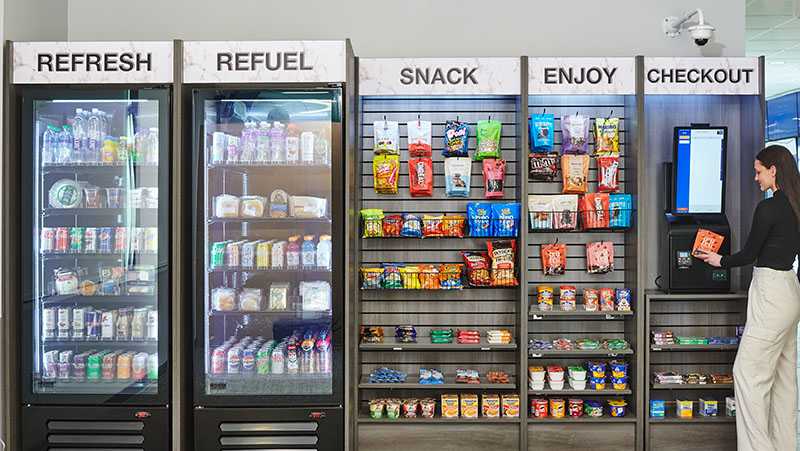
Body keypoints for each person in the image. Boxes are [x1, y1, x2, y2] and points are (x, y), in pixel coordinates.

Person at [697, 145, 800, 451]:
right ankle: (784, 445)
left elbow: (749, 254)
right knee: (783, 378)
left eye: (758, 172)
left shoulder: (768, 208)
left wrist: (719, 260)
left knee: (747, 374)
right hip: (791, 291)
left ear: (774, 170)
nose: (756, 178)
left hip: (770, 293)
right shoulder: (796, 205)